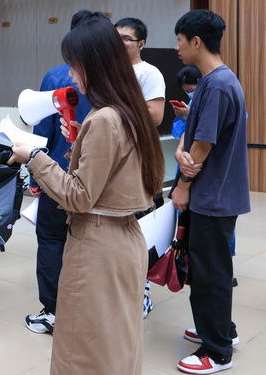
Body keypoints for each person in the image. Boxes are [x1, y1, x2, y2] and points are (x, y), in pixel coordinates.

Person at [12, 18, 164, 374]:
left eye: (73, 64)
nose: (70, 74)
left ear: (92, 64)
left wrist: (33, 158)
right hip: (126, 240)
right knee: (117, 347)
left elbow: (79, 196)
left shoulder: (104, 119)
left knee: (82, 352)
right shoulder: (129, 111)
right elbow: (119, 174)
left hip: (97, 246)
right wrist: (81, 140)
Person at [171, 10, 250, 374]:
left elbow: (202, 145)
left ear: (196, 41)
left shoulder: (217, 84)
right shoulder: (213, 80)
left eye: (179, 40)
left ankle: (217, 352)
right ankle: (221, 330)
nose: (177, 47)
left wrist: (183, 185)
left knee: (210, 272)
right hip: (215, 193)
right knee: (211, 267)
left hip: (212, 195)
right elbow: (195, 130)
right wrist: (180, 148)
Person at [24, 10, 97, 335]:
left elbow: (42, 128)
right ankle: (85, 307)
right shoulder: (115, 80)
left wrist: (34, 175)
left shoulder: (55, 77)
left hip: (56, 170)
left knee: (52, 239)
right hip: (97, 177)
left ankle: (53, 310)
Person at [115, 16, 166, 318]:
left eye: (126, 38)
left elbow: (155, 116)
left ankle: (142, 292)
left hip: (138, 160)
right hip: (113, 159)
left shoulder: (149, 72)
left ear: (141, 44)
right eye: (116, 37)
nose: (120, 43)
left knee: (139, 228)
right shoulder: (110, 71)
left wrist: (116, 108)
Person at [171, 65, 202, 139]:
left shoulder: (209, 99)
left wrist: (191, 114)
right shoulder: (192, 102)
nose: (189, 93)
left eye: (192, 90)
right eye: (186, 91)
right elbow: (179, 134)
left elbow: (208, 126)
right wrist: (183, 117)